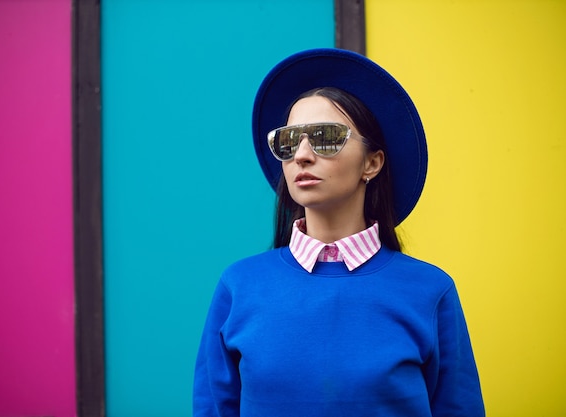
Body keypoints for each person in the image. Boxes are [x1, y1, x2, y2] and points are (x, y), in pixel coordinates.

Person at [193, 48, 484, 417]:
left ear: (372, 162)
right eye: (288, 140)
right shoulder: (238, 286)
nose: (301, 155)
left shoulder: (429, 291)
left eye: (325, 137)